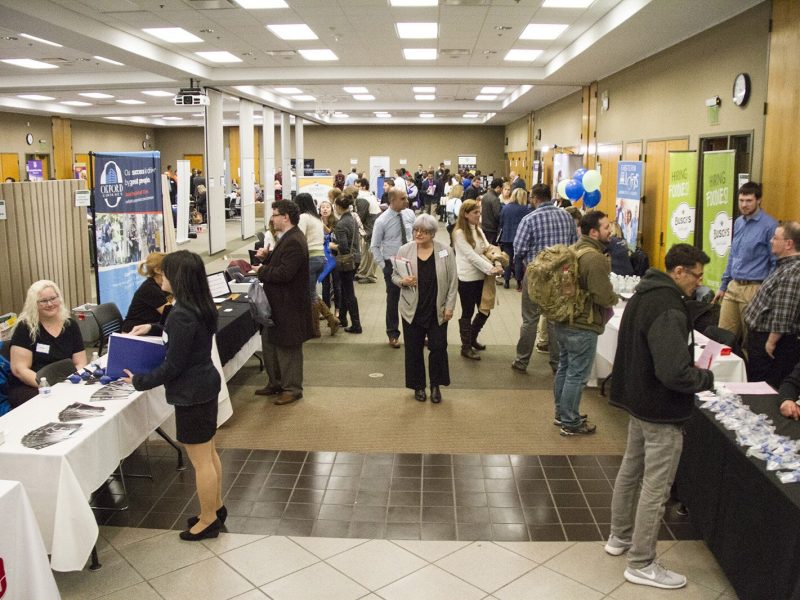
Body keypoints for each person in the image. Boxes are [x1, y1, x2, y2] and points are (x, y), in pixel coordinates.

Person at [606, 243, 714, 590]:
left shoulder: (644, 292)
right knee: (656, 486)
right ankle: (641, 562)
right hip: (661, 409)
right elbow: (674, 373)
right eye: (696, 276)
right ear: (678, 271)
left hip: (639, 400)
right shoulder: (668, 307)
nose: (698, 283)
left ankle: (619, 538)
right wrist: (706, 379)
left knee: (630, 470)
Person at [121, 250, 224, 541]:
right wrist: (153, 327)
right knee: (209, 453)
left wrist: (139, 381)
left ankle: (208, 520)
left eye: (163, 273)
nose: (159, 278)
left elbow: (173, 365)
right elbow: (182, 338)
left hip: (191, 391)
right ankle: (214, 508)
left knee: (201, 460)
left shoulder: (181, 314)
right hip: (204, 385)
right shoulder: (198, 306)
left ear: (176, 278)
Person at [553, 211, 618, 435]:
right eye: (607, 227)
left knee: (565, 368)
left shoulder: (573, 250)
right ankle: (570, 422)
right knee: (577, 374)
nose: (610, 231)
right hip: (582, 324)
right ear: (594, 231)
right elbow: (602, 295)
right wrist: (615, 299)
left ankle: (562, 413)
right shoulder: (595, 258)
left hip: (564, 319)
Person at [511, 183, 577, 373]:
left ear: (534, 198)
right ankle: (557, 363)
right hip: (561, 276)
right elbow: (573, 246)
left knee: (530, 320)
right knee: (555, 320)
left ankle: (522, 361)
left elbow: (519, 249)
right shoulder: (566, 216)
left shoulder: (529, 219)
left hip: (536, 277)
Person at [392, 214, 458, 403]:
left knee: (438, 347)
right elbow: (394, 276)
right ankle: (418, 386)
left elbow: (453, 281)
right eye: (416, 230)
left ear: (433, 234)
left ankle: (436, 385)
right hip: (411, 309)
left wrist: (450, 307)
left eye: (424, 231)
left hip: (438, 309)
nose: (419, 234)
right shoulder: (405, 250)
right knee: (413, 349)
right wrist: (402, 281)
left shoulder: (445, 251)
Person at [254, 200, 314, 404]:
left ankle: (292, 388)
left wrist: (261, 270)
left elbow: (285, 273)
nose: (272, 218)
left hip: (290, 305)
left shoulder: (294, 240)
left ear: (285, 217)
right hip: (278, 304)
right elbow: (283, 264)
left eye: (275, 214)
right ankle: (276, 382)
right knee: (272, 344)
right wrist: (267, 257)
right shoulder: (288, 238)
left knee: (288, 349)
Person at [713, 181, 778, 342]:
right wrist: (723, 286)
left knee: (749, 341)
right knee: (722, 338)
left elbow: (775, 262)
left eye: (749, 200)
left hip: (754, 287)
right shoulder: (738, 222)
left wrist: (765, 291)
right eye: (741, 200)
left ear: (759, 200)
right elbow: (733, 255)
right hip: (733, 286)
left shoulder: (769, 225)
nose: (744, 204)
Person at [8, 280, 87, 407]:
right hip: (32, 386)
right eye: (43, 301)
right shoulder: (25, 328)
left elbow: (80, 362)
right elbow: (20, 370)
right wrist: (48, 385)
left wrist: (70, 382)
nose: (50, 304)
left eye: (53, 298)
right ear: (34, 304)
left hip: (65, 382)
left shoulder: (70, 325)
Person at [742, 221, 800, 388]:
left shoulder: (793, 270)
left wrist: (771, 342)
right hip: (761, 337)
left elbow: (784, 312)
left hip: (770, 343)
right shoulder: (784, 266)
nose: (771, 241)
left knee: (763, 387)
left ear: (788, 244)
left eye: (775, 238)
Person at [452, 199, 504, 360]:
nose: (478, 215)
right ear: (465, 214)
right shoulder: (459, 233)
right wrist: (491, 269)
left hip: (482, 277)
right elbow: (472, 256)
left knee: (484, 311)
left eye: (479, 212)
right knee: (468, 312)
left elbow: (488, 248)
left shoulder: (478, 230)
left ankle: (472, 338)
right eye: (475, 212)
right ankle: (465, 347)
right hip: (467, 279)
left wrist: (497, 259)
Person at [370, 187, 415, 348]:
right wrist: (384, 267)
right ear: (392, 200)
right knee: (393, 299)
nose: (406, 201)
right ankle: (393, 334)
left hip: (411, 262)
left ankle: (417, 333)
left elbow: (415, 236)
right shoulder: (382, 221)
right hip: (393, 265)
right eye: (403, 198)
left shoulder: (409, 214)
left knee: (415, 297)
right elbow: (374, 246)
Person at [296, 193, 338, 337]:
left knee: (311, 295)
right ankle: (331, 319)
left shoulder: (303, 218)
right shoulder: (315, 218)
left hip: (310, 258)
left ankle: (315, 329)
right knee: (311, 292)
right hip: (320, 258)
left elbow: (298, 238)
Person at [330, 194, 362, 334]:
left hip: (346, 261)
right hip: (356, 257)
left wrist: (333, 246)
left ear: (337, 207)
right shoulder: (352, 219)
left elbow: (342, 246)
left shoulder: (341, 224)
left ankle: (356, 324)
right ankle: (343, 319)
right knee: (345, 289)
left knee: (348, 292)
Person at [122, 252, 171, 333]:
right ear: (157, 270)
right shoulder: (150, 289)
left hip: (149, 327)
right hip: (134, 331)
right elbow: (170, 314)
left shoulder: (162, 285)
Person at [498, 187, 531, 289]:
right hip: (520, 237)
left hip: (507, 236)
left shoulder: (506, 208)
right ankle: (519, 282)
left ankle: (506, 281)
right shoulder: (526, 209)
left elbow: (501, 222)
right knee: (518, 260)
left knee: (507, 259)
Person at [480, 178, 503, 245]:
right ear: (498, 187)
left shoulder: (485, 196)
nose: (501, 191)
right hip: (492, 229)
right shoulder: (495, 199)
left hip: (484, 226)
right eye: (502, 188)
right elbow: (498, 215)